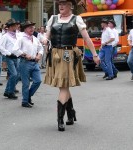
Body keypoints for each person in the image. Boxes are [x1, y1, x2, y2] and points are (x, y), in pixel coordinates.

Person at [43, 0, 100, 131]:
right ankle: (71, 112)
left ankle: (60, 120)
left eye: (64, 4)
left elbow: (87, 38)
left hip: (68, 55)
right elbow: (47, 35)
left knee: (63, 86)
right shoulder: (53, 18)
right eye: (59, 4)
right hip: (55, 55)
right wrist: (44, 39)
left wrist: (95, 55)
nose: (61, 6)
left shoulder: (77, 19)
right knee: (62, 86)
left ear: (71, 6)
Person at [13, 20, 43, 107]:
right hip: (24, 62)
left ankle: (28, 96)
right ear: (25, 29)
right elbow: (15, 49)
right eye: (30, 27)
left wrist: (39, 55)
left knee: (38, 81)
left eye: (33, 27)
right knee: (26, 83)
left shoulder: (35, 38)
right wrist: (24, 54)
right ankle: (25, 101)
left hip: (35, 62)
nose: (32, 29)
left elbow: (40, 48)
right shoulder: (21, 38)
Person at [0, 19, 19, 99]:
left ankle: (7, 91)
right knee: (14, 74)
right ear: (10, 27)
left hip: (16, 57)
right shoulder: (5, 36)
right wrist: (8, 53)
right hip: (10, 57)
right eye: (14, 25)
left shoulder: (16, 36)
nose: (16, 27)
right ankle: (10, 92)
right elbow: (0, 46)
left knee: (14, 75)